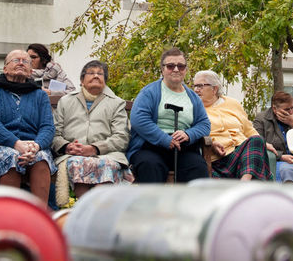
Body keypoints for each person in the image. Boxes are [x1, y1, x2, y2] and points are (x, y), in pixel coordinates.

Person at [0, 49, 55, 200]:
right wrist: (16, 144)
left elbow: (48, 127)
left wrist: (36, 146)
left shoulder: (40, 95)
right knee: (12, 157)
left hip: (32, 146)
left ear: (31, 71)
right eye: (15, 60)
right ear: (5, 69)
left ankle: (39, 218)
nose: (21, 63)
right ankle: (10, 217)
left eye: (25, 61)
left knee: (41, 158)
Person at [52, 60, 130, 205]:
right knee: (77, 163)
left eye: (100, 74)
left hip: (107, 153)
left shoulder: (116, 103)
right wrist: (67, 146)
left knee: (107, 165)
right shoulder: (66, 101)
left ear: (105, 81)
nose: (96, 76)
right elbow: (55, 133)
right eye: (91, 73)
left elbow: (122, 137)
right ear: (82, 80)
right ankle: (91, 210)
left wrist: (95, 148)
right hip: (72, 154)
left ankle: (93, 210)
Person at [127, 48, 211, 183]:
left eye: (181, 66)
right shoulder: (149, 92)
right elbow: (139, 119)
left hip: (183, 148)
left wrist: (188, 134)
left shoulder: (193, 97)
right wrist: (164, 139)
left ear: (186, 70)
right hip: (151, 146)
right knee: (150, 165)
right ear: (162, 69)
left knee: (197, 167)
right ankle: (154, 204)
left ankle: (191, 204)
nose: (176, 69)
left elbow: (204, 124)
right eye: (171, 66)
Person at [194, 70, 272, 181]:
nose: (196, 90)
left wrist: (265, 145)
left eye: (200, 86)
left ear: (214, 89)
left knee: (257, 139)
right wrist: (211, 142)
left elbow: (249, 129)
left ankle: (244, 183)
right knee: (256, 155)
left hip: (240, 152)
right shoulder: (194, 108)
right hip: (218, 157)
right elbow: (194, 132)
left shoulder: (232, 103)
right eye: (195, 86)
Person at [252, 91, 293, 183]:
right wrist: (280, 156)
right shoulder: (262, 119)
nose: (291, 112)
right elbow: (257, 142)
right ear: (275, 109)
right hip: (278, 161)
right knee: (284, 170)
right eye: (287, 109)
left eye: (292, 107)